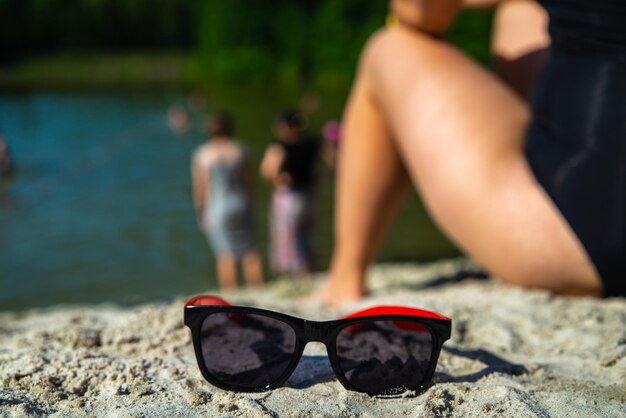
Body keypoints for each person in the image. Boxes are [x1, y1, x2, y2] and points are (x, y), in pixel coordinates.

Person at [315, 0, 626, 306]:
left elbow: (419, 11)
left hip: (597, 237)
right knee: (520, 14)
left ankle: (343, 280)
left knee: (389, 49)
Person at [191, 112, 264, 290]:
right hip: (241, 203)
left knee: (225, 256)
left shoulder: (202, 153)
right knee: (251, 251)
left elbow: (200, 188)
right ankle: (259, 289)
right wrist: (253, 205)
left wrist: (200, 212)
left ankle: (232, 292)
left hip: (218, 207)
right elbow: (250, 183)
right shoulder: (240, 149)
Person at [261, 110, 320, 276]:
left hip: (289, 196)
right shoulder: (312, 143)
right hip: (310, 195)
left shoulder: (280, 147)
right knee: (306, 235)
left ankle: (296, 273)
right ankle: (310, 269)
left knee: (288, 237)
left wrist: (277, 179)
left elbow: (267, 171)